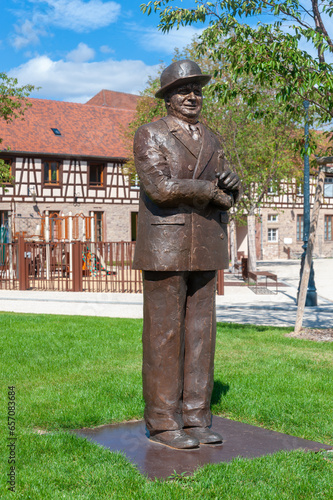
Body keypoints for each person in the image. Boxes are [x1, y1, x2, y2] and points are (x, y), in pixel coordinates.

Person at [133, 60, 241, 449]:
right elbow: (159, 188)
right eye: (183, 90)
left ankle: (196, 416)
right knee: (164, 335)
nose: (192, 96)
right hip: (165, 245)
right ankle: (163, 422)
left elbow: (225, 193)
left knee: (201, 334)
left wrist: (232, 185)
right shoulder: (150, 134)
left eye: (197, 89)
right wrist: (207, 190)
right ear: (167, 98)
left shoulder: (213, 139)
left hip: (207, 241)